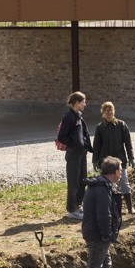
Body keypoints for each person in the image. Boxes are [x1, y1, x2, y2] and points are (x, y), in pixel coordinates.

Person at [81, 156, 122, 268]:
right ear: (115, 171)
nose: (122, 173)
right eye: (121, 170)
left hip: (95, 233)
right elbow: (104, 215)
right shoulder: (102, 189)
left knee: (106, 264)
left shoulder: (101, 185)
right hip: (98, 235)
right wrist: (107, 235)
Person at [92, 101, 135, 216]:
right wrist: (95, 160)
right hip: (106, 162)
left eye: (111, 110)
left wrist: (131, 157)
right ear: (103, 113)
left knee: (124, 183)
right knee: (108, 185)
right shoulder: (100, 127)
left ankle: (130, 208)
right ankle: (111, 208)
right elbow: (96, 145)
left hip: (120, 160)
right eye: (107, 111)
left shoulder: (121, 125)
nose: (110, 113)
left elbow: (128, 143)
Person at [58, 91, 91, 220]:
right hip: (73, 154)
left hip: (81, 153)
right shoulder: (69, 117)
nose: (85, 104)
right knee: (73, 182)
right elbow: (62, 136)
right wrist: (74, 144)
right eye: (83, 102)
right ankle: (71, 209)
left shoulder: (78, 116)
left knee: (82, 180)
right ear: (77, 103)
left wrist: (85, 146)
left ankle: (78, 205)